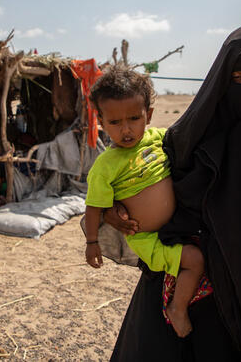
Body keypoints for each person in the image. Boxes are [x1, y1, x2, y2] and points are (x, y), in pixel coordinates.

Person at [106, 24, 241, 361]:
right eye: (238, 79)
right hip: (185, 287)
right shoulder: (191, 135)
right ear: (222, 77)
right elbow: (138, 178)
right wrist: (113, 210)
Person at [83, 67, 205, 337]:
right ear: (100, 121)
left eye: (134, 118)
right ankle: (178, 308)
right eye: (114, 122)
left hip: (179, 225)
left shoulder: (159, 139)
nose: (126, 130)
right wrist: (92, 242)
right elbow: (93, 207)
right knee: (196, 261)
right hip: (147, 238)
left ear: (148, 115)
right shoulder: (105, 166)